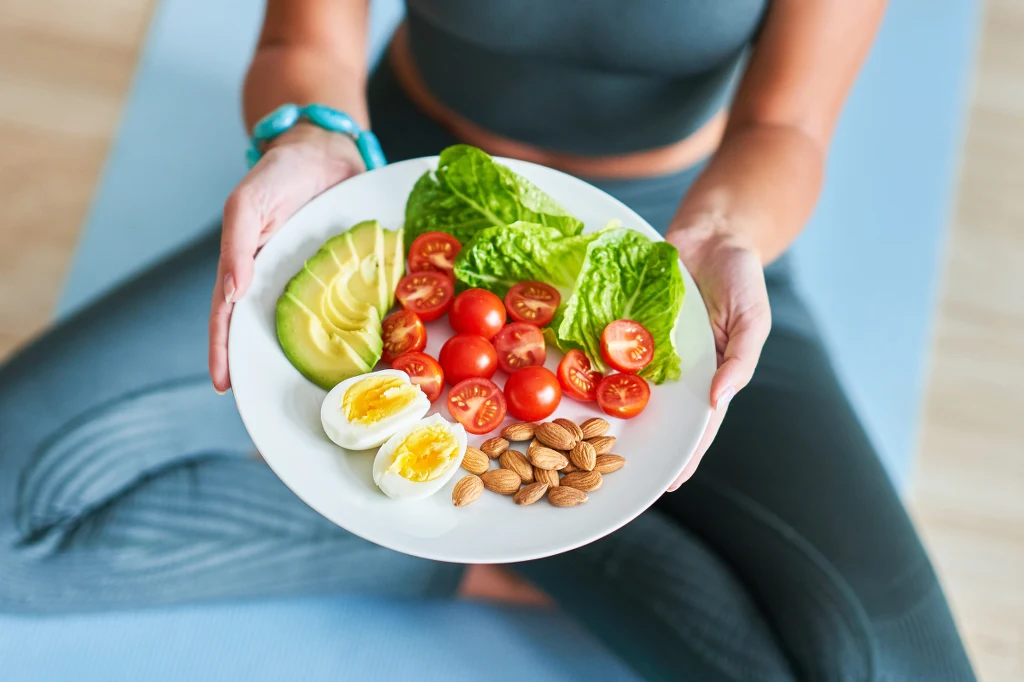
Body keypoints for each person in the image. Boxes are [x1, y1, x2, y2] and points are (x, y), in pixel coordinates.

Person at [0, 1, 976, 680]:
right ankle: (503, 548)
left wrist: (726, 236)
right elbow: (307, 37)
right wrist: (305, 137)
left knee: (900, 669)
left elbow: (786, 127)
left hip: (666, 250)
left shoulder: (694, 248)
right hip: (395, 199)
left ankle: (514, 531)